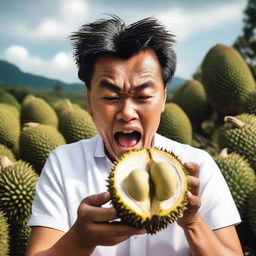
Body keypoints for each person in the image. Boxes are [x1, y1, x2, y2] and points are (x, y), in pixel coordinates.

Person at [25, 15, 243, 256]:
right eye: (110, 97)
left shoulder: (198, 166)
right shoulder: (63, 164)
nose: (127, 113)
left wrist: (193, 223)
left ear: (163, 99)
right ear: (89, 100)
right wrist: (80, 239)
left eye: (143, 97)